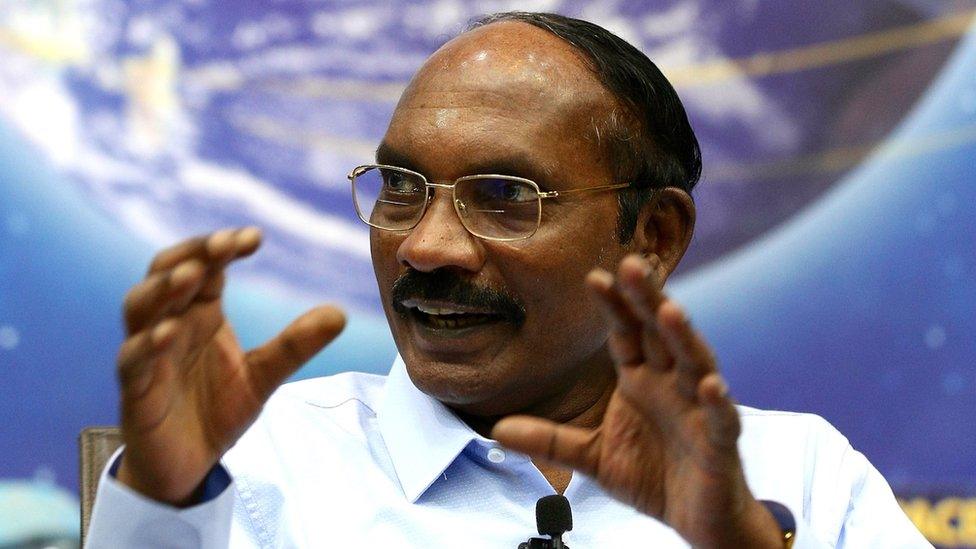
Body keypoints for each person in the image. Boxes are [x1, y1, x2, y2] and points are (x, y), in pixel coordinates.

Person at [86, 12, 930, 548]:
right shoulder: (258, 465)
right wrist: (163, 500)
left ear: (654, 235)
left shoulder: (797, 472)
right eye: (401, 189)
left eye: (502, 197)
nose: (428, 246)